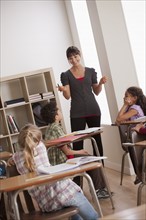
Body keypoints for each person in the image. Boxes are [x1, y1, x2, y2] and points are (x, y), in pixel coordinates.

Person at [11, 124, 99, 220]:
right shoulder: (41, 147)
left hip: (47, 205)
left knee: (77, 215)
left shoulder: (16, 158)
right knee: (93, 217)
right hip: (64, 193)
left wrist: (10, 160)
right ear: (38, 140)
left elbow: (15, 157)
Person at [41, 101, 112, 199]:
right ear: (56, 116)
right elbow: (67, 152)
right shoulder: (56, 128)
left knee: (88, 158)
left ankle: (80, 186)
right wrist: (80, 151)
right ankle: (99, 190)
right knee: (93, 160)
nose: (60, 112)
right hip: (62, 161)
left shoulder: (50, 128)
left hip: (59, 160)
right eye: (59, 110)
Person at [58, 46, 107, 159]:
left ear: (80, 55)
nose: (74, 60)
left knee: (97, 140)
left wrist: (100, 83)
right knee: (77, 142)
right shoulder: (65, 75)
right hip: (77, 113)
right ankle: (78, 174)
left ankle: (100, 169)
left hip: (93, 110)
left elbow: (96, 91)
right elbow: (67, 96)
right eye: (70, 58)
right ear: (68, 60)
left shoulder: (91, 71)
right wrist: (64, 90)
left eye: (75, 56)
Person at [116, 86, 146, 184]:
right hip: (137, 135)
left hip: (137, 136)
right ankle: (139, 174)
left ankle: (139, 174)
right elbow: (119, 120)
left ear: (134, 98)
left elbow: (119, 119)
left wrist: (124, 105)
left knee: (130, 145)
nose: (124, 98)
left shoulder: (134, 108)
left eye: (126, 96)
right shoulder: (133, 108)